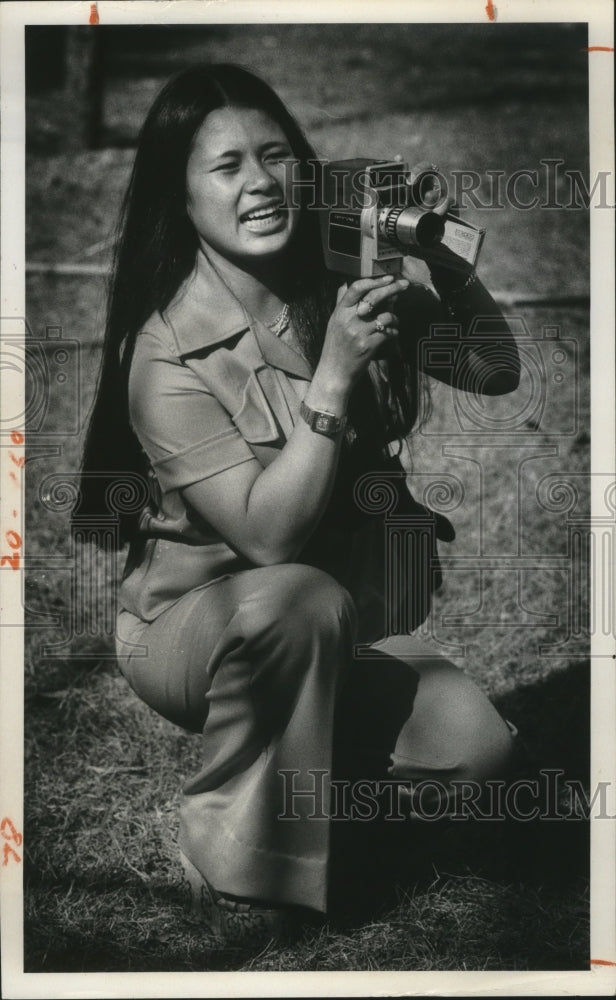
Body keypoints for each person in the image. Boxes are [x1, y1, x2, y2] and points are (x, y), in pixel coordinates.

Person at [78, 63, 521, 943]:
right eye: (228, 165)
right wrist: (334, 376)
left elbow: (491, 370)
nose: (261, 183)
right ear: (182, 192)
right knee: (297, 596)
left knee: (483, 758)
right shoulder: (165, 353)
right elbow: (269, 537)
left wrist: (447, 268)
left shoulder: (340, 273)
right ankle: (234, 860)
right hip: (201, 628)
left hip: (332, 623)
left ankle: (307, 802)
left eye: (276, 155)